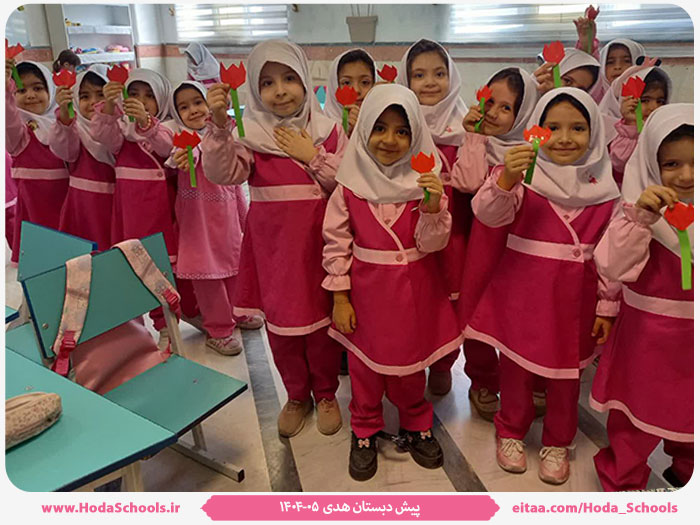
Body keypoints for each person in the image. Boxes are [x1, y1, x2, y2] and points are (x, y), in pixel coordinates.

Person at [465, 88, 620, 485]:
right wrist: (506, 179)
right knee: (516, 369)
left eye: (578, 128)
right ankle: (510, 430)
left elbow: (612, 257)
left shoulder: (606, 192)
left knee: (567, 376)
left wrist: (607, 306)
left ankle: (558, 441)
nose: (564, 138)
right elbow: (488, 214)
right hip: (522, 297)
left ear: (595, 133)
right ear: (536, 130)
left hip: (575, 303)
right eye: (552, 127)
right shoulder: (523, 178)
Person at [201, 40, 347, 438]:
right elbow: (222, 173)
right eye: (267, 83)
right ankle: (297, 395)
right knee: (282, 328)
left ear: (305, 80)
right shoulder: (250, 135)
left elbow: (347, 185)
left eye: (289, 79)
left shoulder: (329, 131)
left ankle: (325, 393)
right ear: (253, 89)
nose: (280, 91)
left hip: (320, 248)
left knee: (321, 326)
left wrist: (311, 155)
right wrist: (219, 127)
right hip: (273, 252)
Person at [322, 84, 461, 480]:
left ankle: (416, 420)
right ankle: (364, 426)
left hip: (413, 295)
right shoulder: (349, 188)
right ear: (364, 129)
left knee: (410, 365)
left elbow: (432, 244)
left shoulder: (425, 184)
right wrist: (341, 298)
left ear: (416, 136)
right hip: (367, 296)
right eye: (379, 128)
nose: (389, 140)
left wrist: (432, 208)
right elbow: (336, 243)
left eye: (402, 131)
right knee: (365, 367)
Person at [591, 104, 693, 491]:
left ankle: (686, 468)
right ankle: (623, 482)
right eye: (671, 164)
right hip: (647, 339)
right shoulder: (638, 213)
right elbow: (612, 265)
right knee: (636, 417)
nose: (686, 176)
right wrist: (641, 220)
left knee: (690, 414)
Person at [455, 67, 541, 421]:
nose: (492, 113)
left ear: (525, 113)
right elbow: (468, 182)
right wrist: (474, 137)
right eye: (489, 102)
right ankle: (483, 380)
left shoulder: (536, 151)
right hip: (486, 243)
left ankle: (533, 379)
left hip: (526, 247)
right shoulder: (480, 144)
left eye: (506, 108)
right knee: (477, 309)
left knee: (525, 313)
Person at [169, 80, 262, 356]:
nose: (193, 110)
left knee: (234, 269)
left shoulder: (224, 135)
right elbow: (178, 157)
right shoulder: (182, 141)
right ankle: (218, 330)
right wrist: (182, 157)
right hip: (198, 226)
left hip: (226, 219)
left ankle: (239, 313)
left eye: (198, 102)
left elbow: (235, 185)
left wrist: (245, 219)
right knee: (208, 279)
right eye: (183, 107)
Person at [397, 38, 469, 395]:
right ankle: (413, 358)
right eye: (419, 74)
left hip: (456, 230)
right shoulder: (398, 127)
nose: (430, 82)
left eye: (439, 74)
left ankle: (443, 363)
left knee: (450, 298)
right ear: (405, 80)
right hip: (410, 228)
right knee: (416, 297)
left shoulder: (465, 127)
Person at [91, 68, 179, 349]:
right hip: (128, 213)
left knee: (160, 268)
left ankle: (166, 324)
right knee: (128, 267)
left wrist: (146, 122)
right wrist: (109, 106)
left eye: (149, 95)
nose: (141, 101)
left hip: (160, 212)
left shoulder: (168, 128)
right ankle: (133, 328)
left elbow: (165, 147)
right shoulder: (121, 132)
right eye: (134, 94)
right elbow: (102, 135)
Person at [5, 59, 68, 264]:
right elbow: (8, 120)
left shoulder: (63, 121)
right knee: (42, 263)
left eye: (38, 88)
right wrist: (5, 90)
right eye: (21, 90)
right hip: (35, 211)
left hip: (68, 204)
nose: (30, 95)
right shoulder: (19, 133)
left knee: (72, 261)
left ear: (50, 90)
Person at [49, 65, 115, 251]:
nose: (93, 102)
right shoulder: (74, 128)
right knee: (85, 255)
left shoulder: (121, 127)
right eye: (84, 96)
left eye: (100, 94)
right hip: (82, 207)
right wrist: (64, 115)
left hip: (115, 204)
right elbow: (65, 151)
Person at [599, 64, 671, 185]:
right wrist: (632, 125)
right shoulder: (621, 136)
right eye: (645, 100)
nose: (654, 107)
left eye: (660, 101)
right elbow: (620, 163)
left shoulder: (668, 131)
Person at [324, 48, 376, 136]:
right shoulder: (320, 131)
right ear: (335, 85)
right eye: (346, 83)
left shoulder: (383, 126)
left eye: (365, 82)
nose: (356, 90)